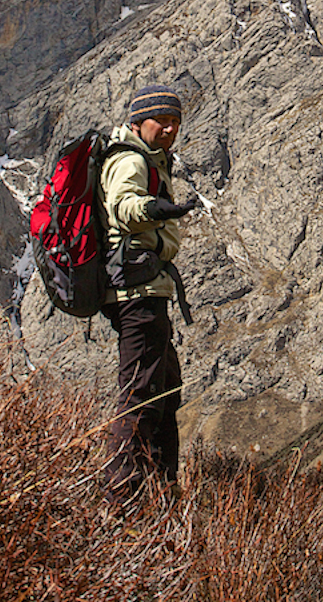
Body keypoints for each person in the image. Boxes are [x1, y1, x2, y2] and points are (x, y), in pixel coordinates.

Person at [98, 84, 197, 501]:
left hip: (147, 290)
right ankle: (123, 498)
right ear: (139, 122)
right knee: (140, 393)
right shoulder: (130, 159)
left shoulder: (148, 158)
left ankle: (162, 487)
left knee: (165, 386)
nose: (171, 129)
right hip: (136, 294)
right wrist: (154, 209)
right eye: (163, 121)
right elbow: (123, 204)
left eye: (176, 121)